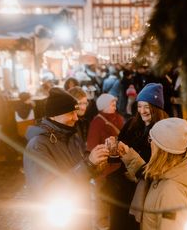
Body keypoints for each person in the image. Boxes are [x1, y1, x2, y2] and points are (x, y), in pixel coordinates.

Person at [23, 88, 109, 230]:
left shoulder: (72, 136)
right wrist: (88, 164)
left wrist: (96, 164)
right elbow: (48, 189)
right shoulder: (38, 145)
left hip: (79, 215)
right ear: (54, 116)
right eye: (71, 113)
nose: (76, 117)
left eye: (76, 112)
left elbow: (80, 170)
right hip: (57, 222)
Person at [118, 118, 187, 230]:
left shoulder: (171, 194)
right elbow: (150, 175)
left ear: (162, 150)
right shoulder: (172, 168)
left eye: (151, 140)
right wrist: (128, 155)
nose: (150, 144)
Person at [108, 82, 168, 230]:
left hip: (144, 189)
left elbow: (158, 167)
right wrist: (113, 148)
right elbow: (120, 150)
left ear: (156, 107)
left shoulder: (164, 130)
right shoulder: (131, 124)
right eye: (140, 106)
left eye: (147, 106)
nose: (142, 111)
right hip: (123, 188)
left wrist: (129, 155)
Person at [87, 93, 125, 230]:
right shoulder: (97, 122)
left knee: (115, 196)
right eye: (112, 103)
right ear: (103, 106)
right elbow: (91, 145)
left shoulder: (119, 118)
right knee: (101, 196)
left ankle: (114, 220)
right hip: (104, 168)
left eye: (115, 103)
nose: (115, 105)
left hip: (118, 165)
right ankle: (101, 222)